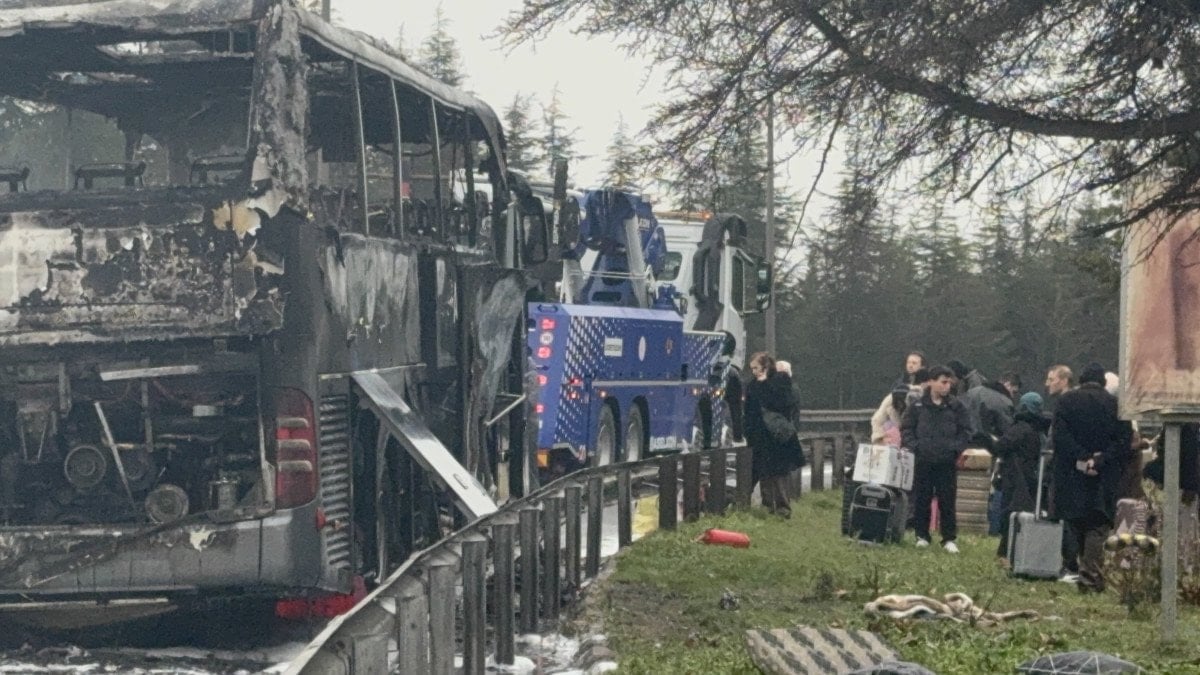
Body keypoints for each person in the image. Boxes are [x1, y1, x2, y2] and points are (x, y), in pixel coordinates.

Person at [1051, 362, 1131, 593]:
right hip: (1103, 475)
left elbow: (1060, 438)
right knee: (1097, 524)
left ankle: (1071, 567)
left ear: (1081, 380)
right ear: (1104, 383)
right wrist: (1100, 459)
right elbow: (1124, 441)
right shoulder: (1115, 405)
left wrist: (1082, 459)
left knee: (1074, 521)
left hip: (1071, 473)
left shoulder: (1066, 402)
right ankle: (1091, 576)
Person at [902, 365, 973, 553]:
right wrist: (916, 447)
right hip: (923, 460)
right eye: (943, 382)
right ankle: (922, 535)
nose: (946, 386)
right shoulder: (917, 406)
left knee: (947, 500)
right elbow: (907, 429)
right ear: (932, 382)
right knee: (921, 499)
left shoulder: (956, 407)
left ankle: (949, 538)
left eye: (949, 382)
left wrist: (955, 449)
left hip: (946, 462)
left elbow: (966, 431)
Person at [993, 392, 1051, 566]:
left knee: (1010, 515)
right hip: (1034, 479)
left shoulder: (1021, 428)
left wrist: (987, 441)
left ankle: (1005, 554)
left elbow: (1001, 446)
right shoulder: (1040, 430)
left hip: (1016, 479)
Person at [744, 352, 804, 518]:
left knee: (778, 475)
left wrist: (764, 385)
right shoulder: (752, 385)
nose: (754, 371)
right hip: (759, 436)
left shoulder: (780, 380)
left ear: (765, 365)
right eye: (752, 369)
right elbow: (749, 410)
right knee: (763, 472)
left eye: (756, 367)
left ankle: (783, 509)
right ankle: (767, 507)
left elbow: (781, 403)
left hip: (776, 437)